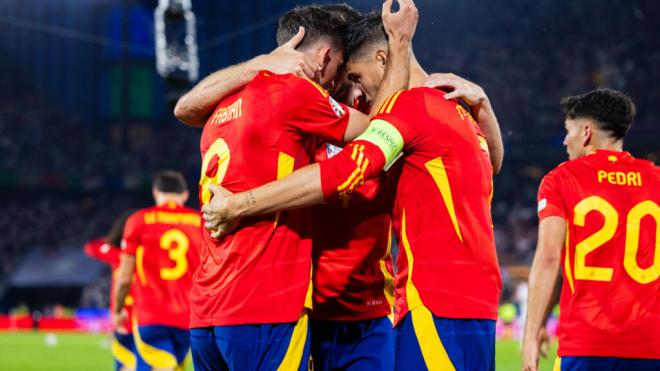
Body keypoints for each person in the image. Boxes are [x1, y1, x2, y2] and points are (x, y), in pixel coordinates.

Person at [201, 11, 505, 371]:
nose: (357, 89)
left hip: (415, 303)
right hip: (470, 303)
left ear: (383, 59)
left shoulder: (405, 111)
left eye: (357, 77)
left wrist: (240, 204)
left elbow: (343, 172)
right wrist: (483, 107)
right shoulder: (456, 111)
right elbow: (493, 162)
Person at [177, 2, 418, 370]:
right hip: (263, 303)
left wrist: (258, 63)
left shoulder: (223, 101)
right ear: (324, 58)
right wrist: (400, 44)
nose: (338, 83)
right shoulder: (295, 94)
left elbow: (183, 108)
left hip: (207, 310)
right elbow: (381, 131)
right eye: (341, 70)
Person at [522, 89, 660, 371]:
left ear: (586, 132)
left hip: (587, 342)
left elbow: (550, 259)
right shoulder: (656, 179)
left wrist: (531, 333)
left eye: (568, 130)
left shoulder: (562, 179)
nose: (565, 140)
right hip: (651, 344)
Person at [114, 170, 201, 371]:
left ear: (156, 192)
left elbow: (125, 277)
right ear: (185, 194)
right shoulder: (201, 222)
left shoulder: (139, 221)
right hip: (190, 319)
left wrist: (119, 309)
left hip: (150, 315)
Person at [84, 210, 138, 371]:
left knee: (128, 364)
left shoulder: (117, 254)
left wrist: (112, 239)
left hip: (122, 317)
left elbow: (91, 248)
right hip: (143, 317)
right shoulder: (146, 253)